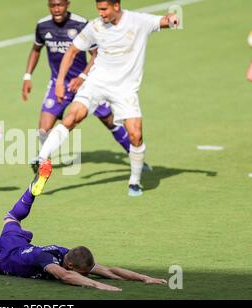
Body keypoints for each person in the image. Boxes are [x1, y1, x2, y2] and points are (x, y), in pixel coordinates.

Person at [0, 161, 167, 291]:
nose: (86, 274)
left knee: (12, 218)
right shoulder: (49, 261)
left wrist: (144, 278)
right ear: (72, 264)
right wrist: (97, 286)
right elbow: (66, 276)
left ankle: (31, 192)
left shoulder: (65, 252)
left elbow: (109, 270)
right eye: (83, 273)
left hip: (17, 244)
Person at [37, 0, 179, 196]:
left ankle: (134, 182)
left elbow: (166, 21)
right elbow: (72, 51)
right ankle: (42, 157)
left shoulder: (138, 21)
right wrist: (60, 81)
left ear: (116, 6)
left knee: (136, 135)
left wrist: (173, 19)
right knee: (72, 117)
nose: (101, 14)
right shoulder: (95, 26)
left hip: (125, 89)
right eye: (99, 10)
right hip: (97, 83)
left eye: (104, 9)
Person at [22, 0, 132, 170]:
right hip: (58, 83)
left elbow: (97, 53)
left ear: (68, 4)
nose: (56, 9)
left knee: (109, 120)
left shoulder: (81, 24)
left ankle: (134, 154)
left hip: (86, 83)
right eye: (52, 5)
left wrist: (82, 76)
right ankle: (43, 162)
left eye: (60, 5)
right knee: (43, 129)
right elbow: (36, 49)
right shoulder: (42, 26)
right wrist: (27, 76)